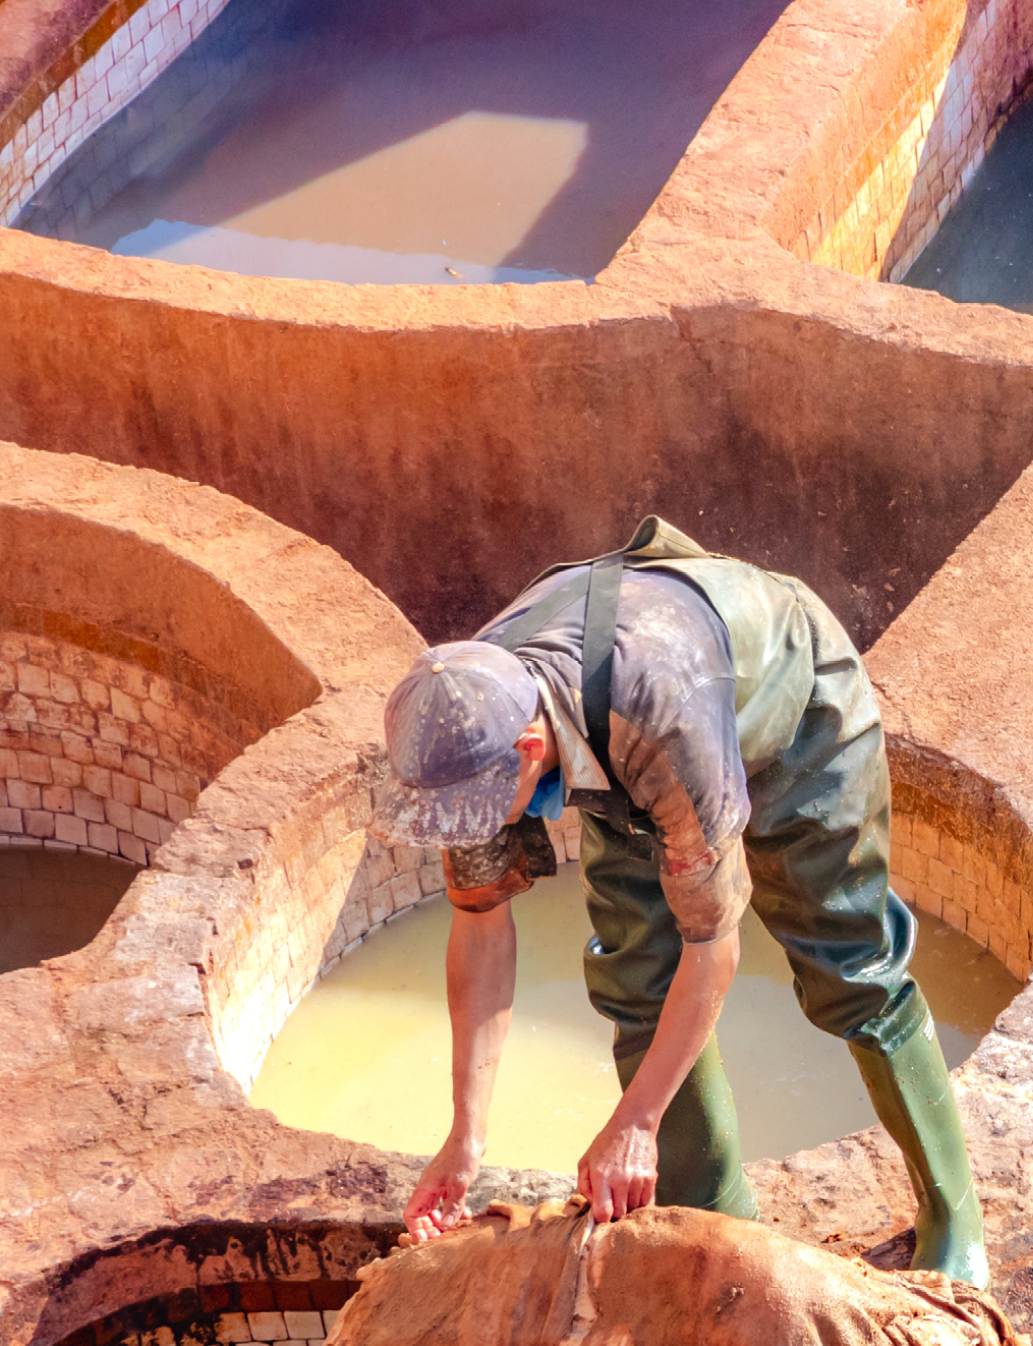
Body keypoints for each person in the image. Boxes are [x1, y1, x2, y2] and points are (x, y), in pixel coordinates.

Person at [367, 517, 985, 1282]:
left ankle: (956, 1217)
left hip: (789, 712)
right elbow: (480, 923)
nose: (468, 830)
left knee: (847, 963)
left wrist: (636, 1122)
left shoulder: (656, 718)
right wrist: (466, 1135)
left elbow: (713, 945)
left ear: (529, 752)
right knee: (634, 976)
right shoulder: (467, 723)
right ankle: (720, 1232)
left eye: (481, 810)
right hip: (622, 749)